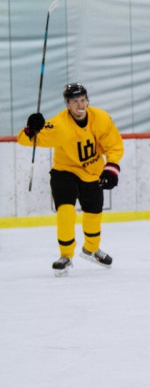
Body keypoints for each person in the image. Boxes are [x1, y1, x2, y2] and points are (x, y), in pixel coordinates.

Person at [17, 83, 124, 277]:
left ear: (88, 100)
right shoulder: (59, 125)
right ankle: (65, 256)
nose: (80, 105)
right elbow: (25, 140)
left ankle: (91, 249)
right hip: (64, 171)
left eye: (82, 100)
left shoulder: (100, 118)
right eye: (74, 101)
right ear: (67, 104)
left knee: (94, 213)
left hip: (92, 172)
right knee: (65, 211)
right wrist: (31, 128)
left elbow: (114, 146)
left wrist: (111, 168)